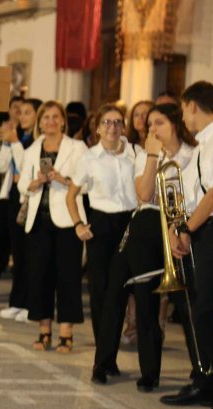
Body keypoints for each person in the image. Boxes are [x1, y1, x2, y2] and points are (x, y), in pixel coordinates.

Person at [90, 103, 198, 389]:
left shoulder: (190, 154)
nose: (151, 129)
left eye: (158, 123)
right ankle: (102, 363)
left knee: (148, 301)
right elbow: (144, 193)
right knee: (115, 291)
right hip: (142, 224)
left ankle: (150, 373)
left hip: (169, 227)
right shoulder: (146, 153)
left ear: (174, 124)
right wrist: (152, 155)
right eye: (149, 124)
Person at [161, 81, 213, 409]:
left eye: (183, 109)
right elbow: (194, 192)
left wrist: (186, 228)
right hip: (205, 230)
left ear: (192, 105)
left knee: (206, 310)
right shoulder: (205, 144)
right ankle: (209, 381)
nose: (184, 118)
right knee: (199, 310)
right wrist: (187, 229)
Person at [67, 104, 142, 341]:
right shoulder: (89, 157)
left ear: (124, 127)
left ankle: (120, 333)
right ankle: (103, 347)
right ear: (98, 128)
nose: (113, 127)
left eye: (118, 122)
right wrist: (79, 224)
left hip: (130, 222)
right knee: (100, 288)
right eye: (107, 122)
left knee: (123, 287)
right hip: (101, 223)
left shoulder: (136, 152)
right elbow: (71, 195)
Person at [17, 101, 87, 352]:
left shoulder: (77, 148)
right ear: (40, 122)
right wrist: (36, 182)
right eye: (46, 117)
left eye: (55, 117)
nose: (50, 122)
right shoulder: (32, 150)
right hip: (39, 220)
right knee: (40, 276)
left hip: (68, 220)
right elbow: (21, 185)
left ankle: (66, 332)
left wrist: (63, 179)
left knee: (68, 276)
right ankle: (44, 329)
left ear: (63, 121)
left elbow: (87, 183)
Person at [0, 98, 41, 322]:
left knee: (29, 253)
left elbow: (26, 167)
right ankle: (16, 302)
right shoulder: (19, 138)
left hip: (30, 198)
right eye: (20, 113)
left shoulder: (35, 141)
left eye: (27, 112)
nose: (22, 117)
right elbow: (1, 166)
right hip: (15, 196)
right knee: (18, 252)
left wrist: (14, 143)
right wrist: (8, 143)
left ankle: (29, 304)